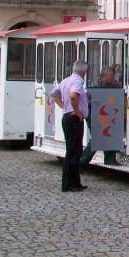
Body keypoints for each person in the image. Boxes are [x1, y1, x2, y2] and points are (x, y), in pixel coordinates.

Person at [51, 60, 89, 192]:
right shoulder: (77, 81)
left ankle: (74, 182)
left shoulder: (66, 80)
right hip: (74, 118)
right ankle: (69, 184)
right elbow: (73, 96)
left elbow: (54, 94)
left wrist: (64, 107)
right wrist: (77, 111)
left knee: (74, 150)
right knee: (74, 152)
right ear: (83, 71)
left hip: (67, 117)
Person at [80, 66, 119, 168]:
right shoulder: (94, 86)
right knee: (98, 138)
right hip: (93, 114)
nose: (113, 78)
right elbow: (88, 101)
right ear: (105, 76)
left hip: (106, 115)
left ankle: (109, 158)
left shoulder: (113, 86)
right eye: (111, 76)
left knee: (109, 134)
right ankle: (81, 162)